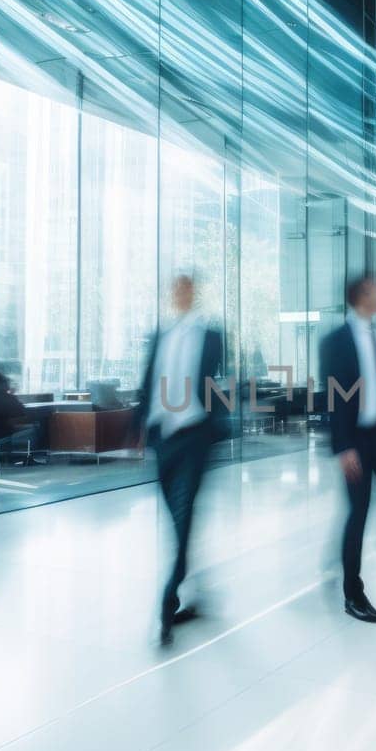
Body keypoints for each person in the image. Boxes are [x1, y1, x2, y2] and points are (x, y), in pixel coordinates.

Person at [134, 274, 226, 647]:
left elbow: (212, 381)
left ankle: (168, 599)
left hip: (195, 435)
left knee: (184, 514)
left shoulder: (212, 335)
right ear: (170, 294)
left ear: (194, 292)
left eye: (186, 287)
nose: (180, 293)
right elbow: (147, 383)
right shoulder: (159, 335)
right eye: (175, 287)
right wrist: (140, 429)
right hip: (163, 437)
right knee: (177, 518)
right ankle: (194, 588)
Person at [320, 273, 376, 625]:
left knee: (367, 507)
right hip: (358, 442)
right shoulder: (337, 340)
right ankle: (353, 593)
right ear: (362, 295)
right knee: (359, 512)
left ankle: (338, 560)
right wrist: (344, 447)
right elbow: (335, 398)